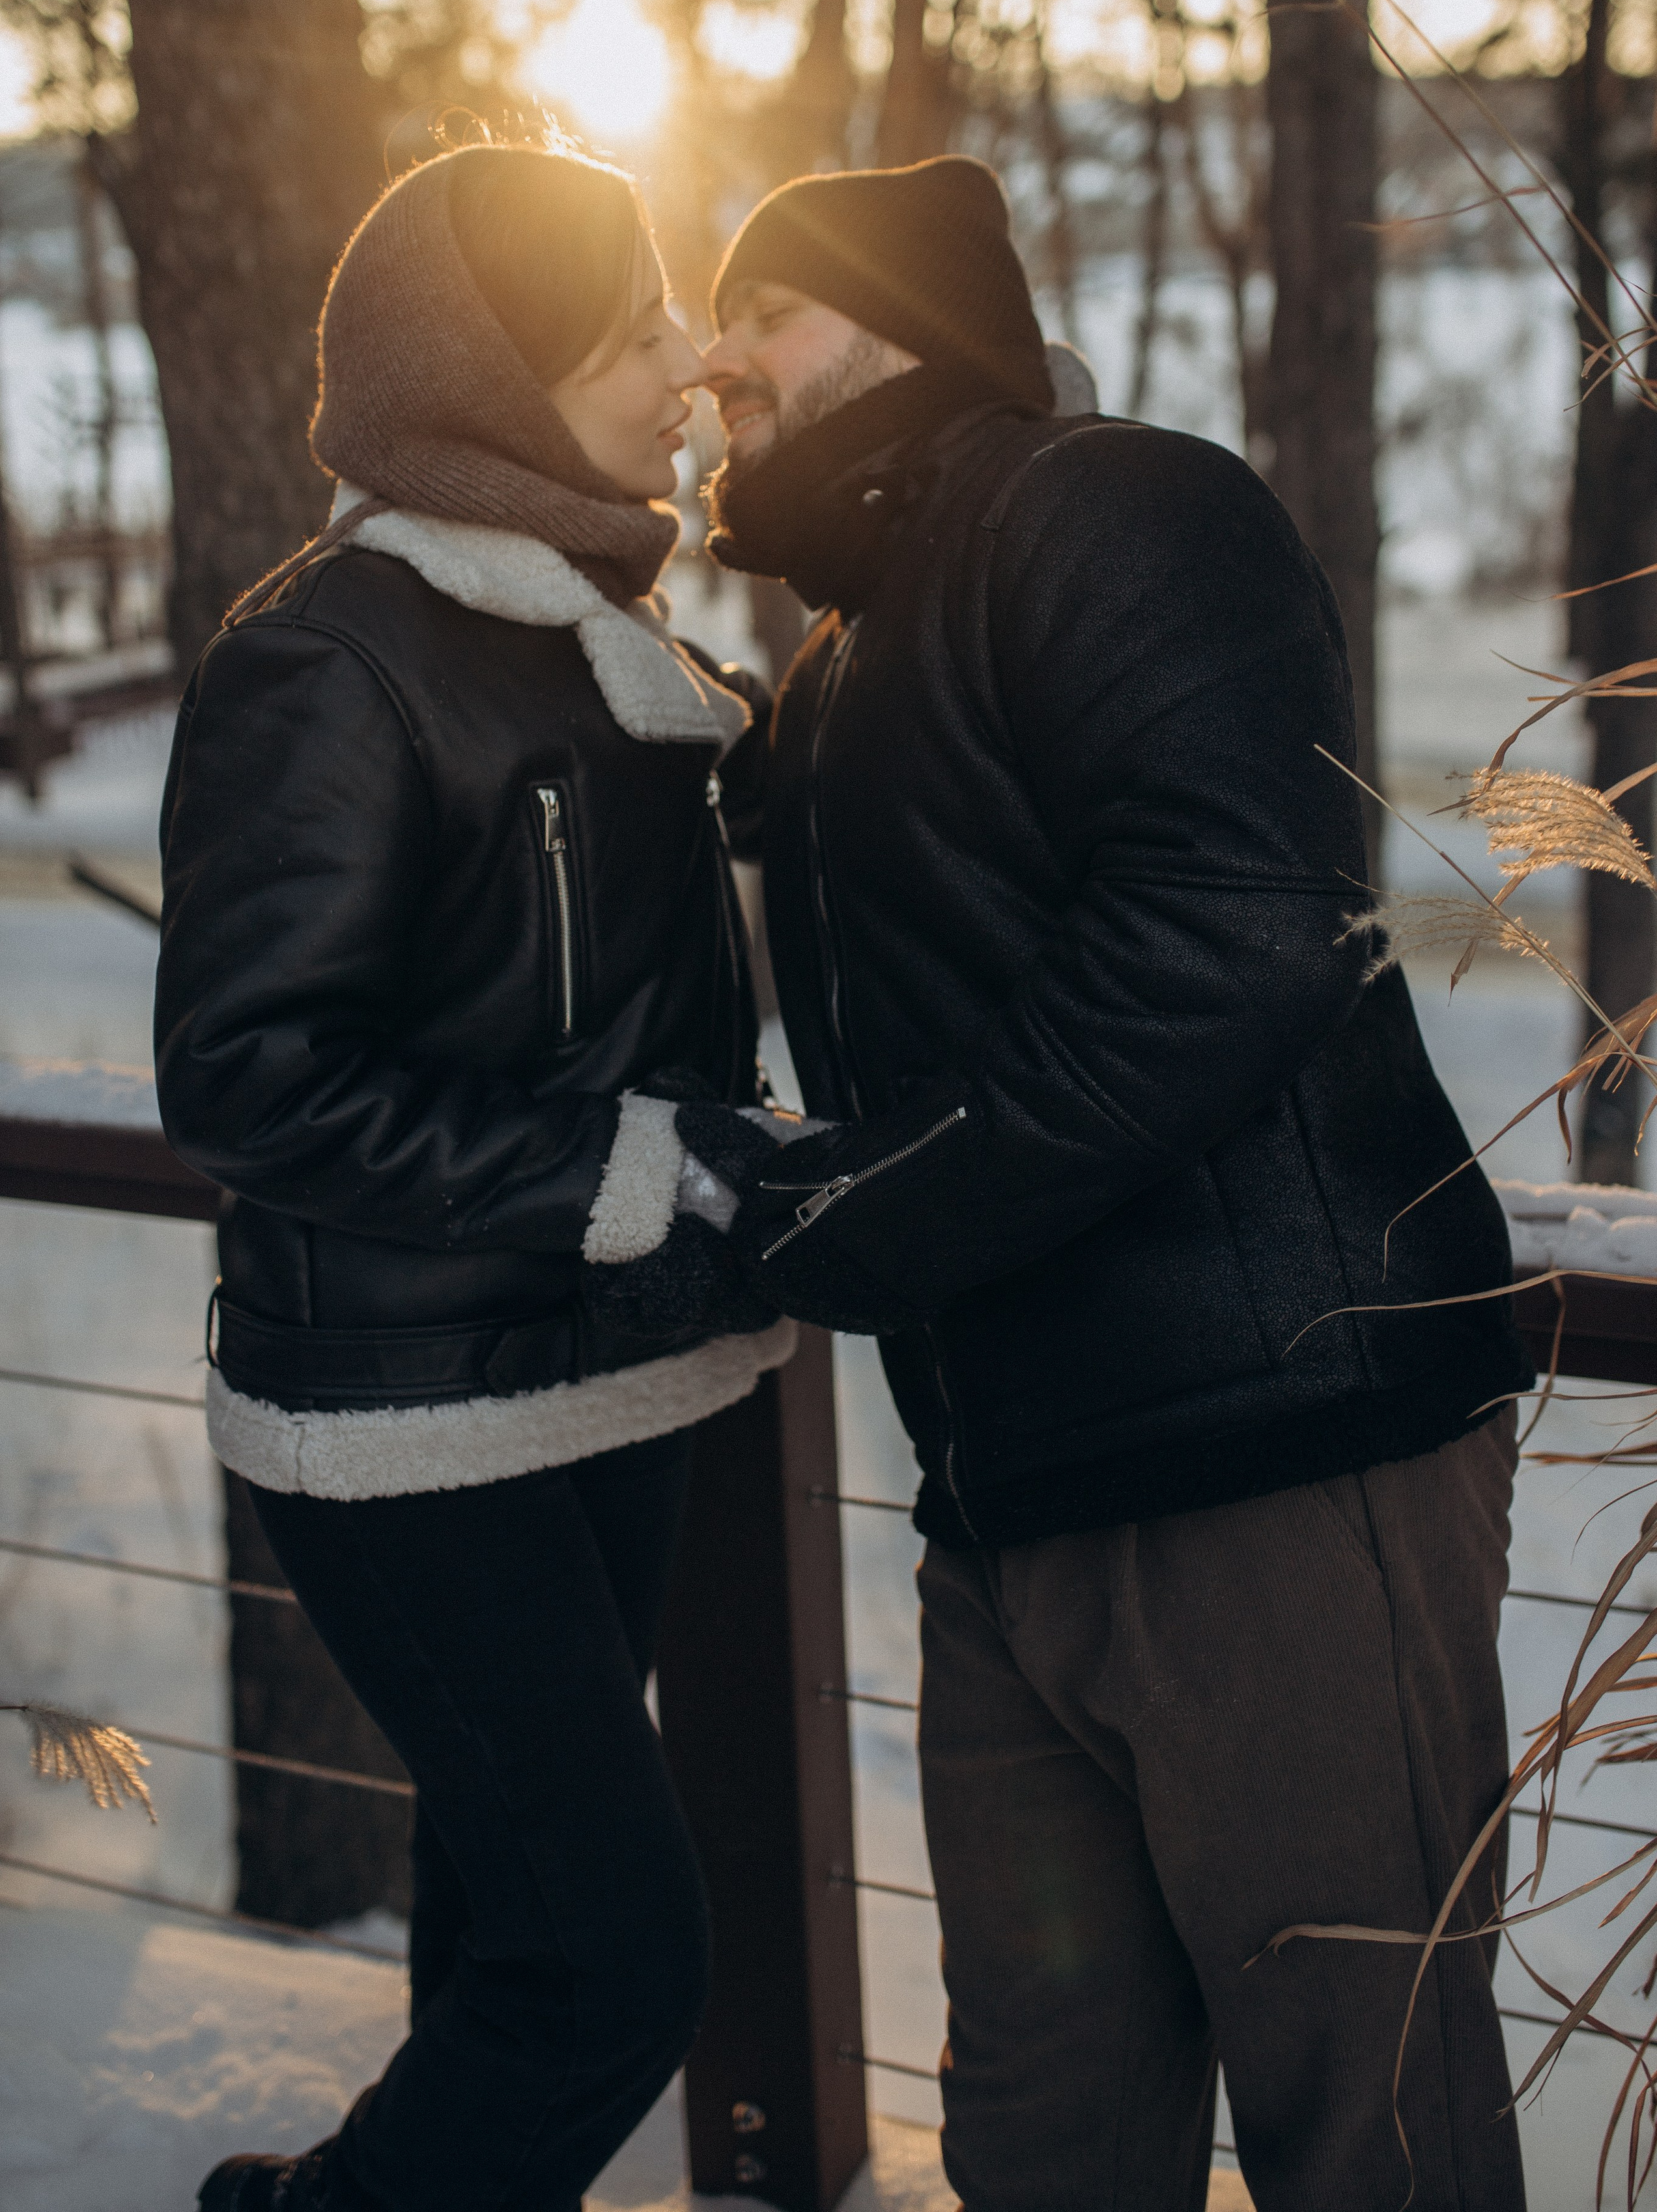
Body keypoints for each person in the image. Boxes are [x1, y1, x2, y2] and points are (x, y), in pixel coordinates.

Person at [617, 155, 1533, 2210]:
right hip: (1015, 1515)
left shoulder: (1113, 506)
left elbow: (1234, 932)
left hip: (1280, 1477)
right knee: (1044, 2134)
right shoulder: (848, 657)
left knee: (1367, 2127)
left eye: (759, 306)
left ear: (895, 318)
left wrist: (858, 1213)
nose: (713, 354)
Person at [156, 141, 794, 2212]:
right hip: (408, 1421)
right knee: (622, 1959)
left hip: (593, 1376)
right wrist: (614, 1168)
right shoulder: (336, 656)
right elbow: (245, 1074)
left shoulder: (606, 643)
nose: (686, 366)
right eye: (628, 340)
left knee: (508, 1932)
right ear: (493, 386)